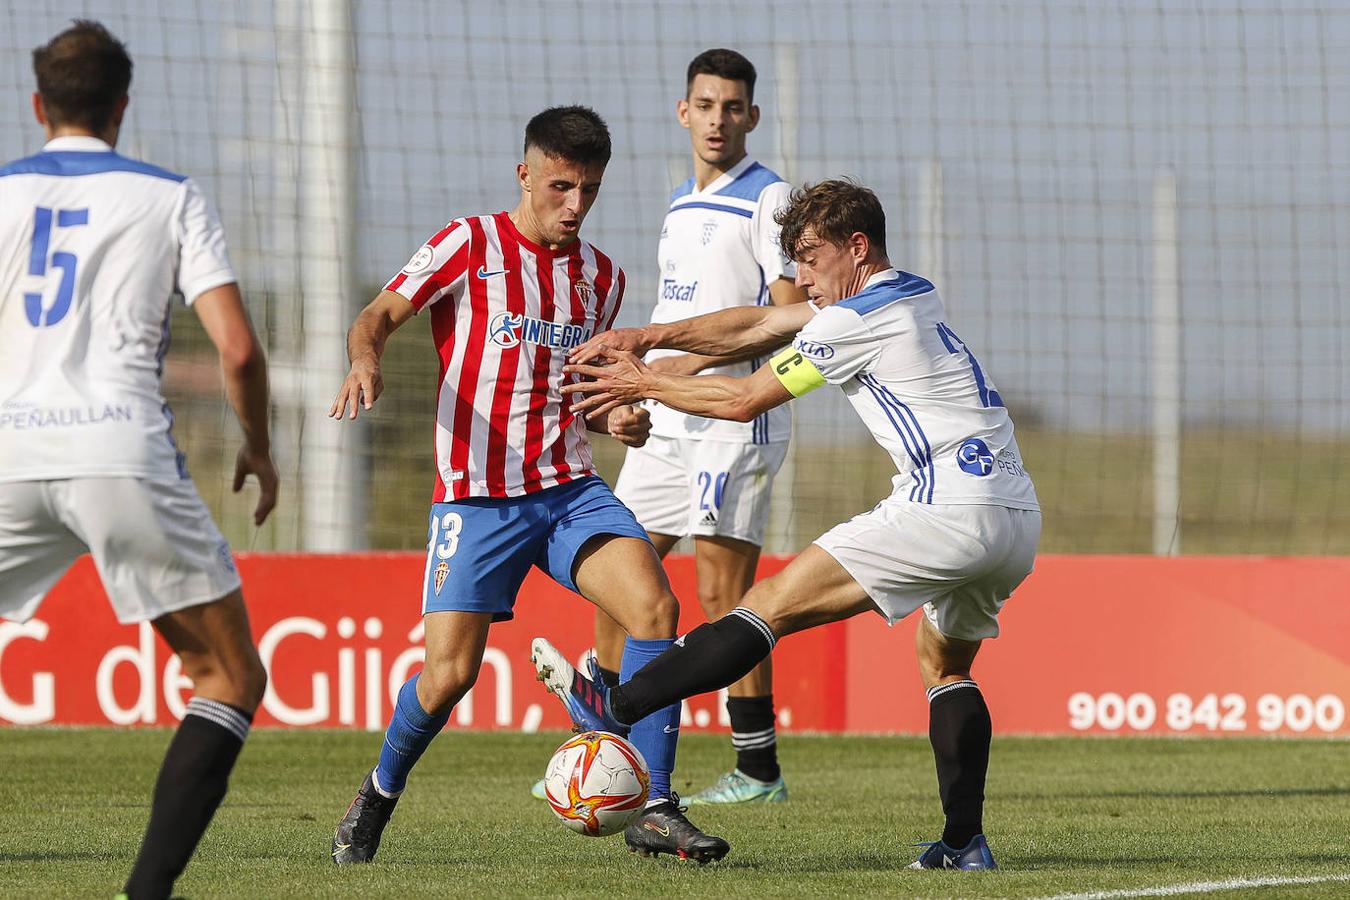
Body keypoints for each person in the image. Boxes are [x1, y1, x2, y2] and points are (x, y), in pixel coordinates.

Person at [533, 179, 1041, 870]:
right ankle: (964, 844)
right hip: (1013, 512)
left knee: (763, 608)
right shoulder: (913, 290)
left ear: (856, 248)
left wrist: (643, 382)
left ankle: (615, 704)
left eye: (809, 257)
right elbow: (758, 323)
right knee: (945, 663)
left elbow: (745, 398)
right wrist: (649, 337)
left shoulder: (850, 321)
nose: (799, 278)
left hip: (943, 506)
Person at [328, 105, 729, 865]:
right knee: (448, 676)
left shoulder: (601, 279)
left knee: (654, 605)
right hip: (477, 498)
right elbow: (377, 314)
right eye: (561, 186)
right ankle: (378, 792)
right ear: (526, 175)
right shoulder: (466, 243)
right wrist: (365, 358)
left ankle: (657, 806)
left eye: (590, 190)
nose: (575, 205)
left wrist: (623, 422)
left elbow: (594, 392)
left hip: (568, 489)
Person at [0, 21, 277, 900]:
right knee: (228, 677)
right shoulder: (169, 196)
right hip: (116, 448)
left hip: (5, 450)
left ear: (38, 105)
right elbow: (236, 348)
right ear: (123, 105)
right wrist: (259, 447)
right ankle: (145, 894)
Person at [533, 48, 808, 807]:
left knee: (724, 595)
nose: (718, 119)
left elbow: (784, 318)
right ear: (683, 112)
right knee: (622, 577)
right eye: (705, 105)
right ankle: (604, 752)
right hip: (668, 416)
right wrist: (637, 393)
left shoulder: (770, 198)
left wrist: (666, 375)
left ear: (751, 116)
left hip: (732, 418)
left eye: (733, 107)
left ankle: (757, 768)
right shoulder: (680, 202)